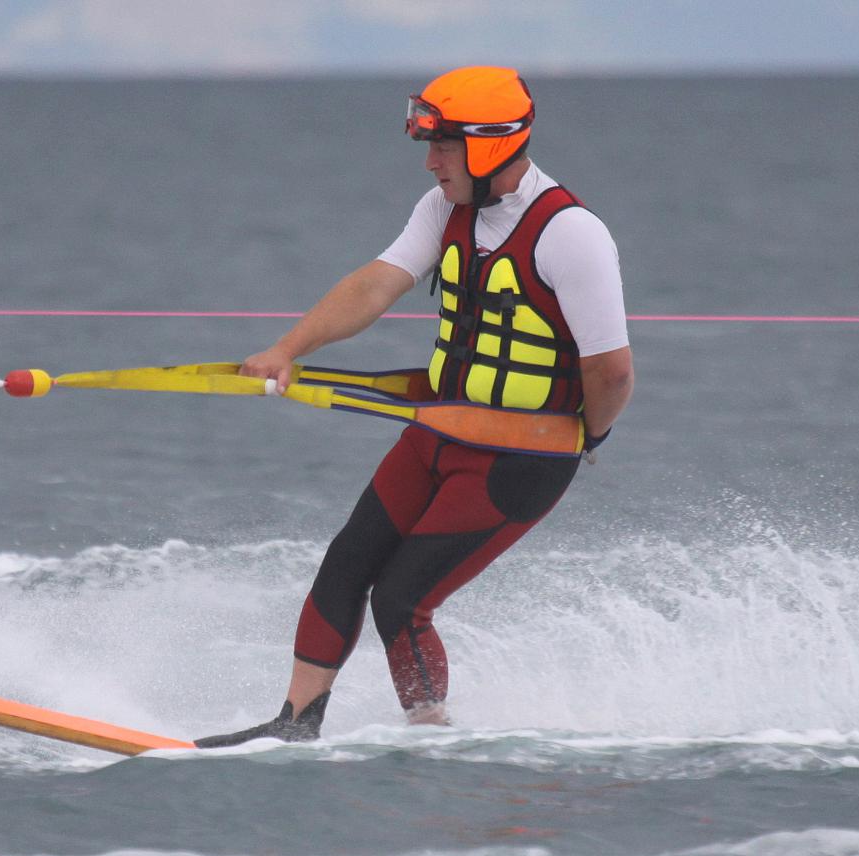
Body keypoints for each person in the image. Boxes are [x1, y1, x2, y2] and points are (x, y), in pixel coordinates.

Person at [194, 66, 633, 748]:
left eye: (443, 147)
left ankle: (433, 740)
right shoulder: (444, 211)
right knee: (346, 563)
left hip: (520, 459)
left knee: (402, 601)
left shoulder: (571, 235)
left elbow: (612, 371)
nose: (430, 163)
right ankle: (295, 725)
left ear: (489, 145)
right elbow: (373, 286)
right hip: (435, 434)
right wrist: (288, 348)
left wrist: (591, 438)